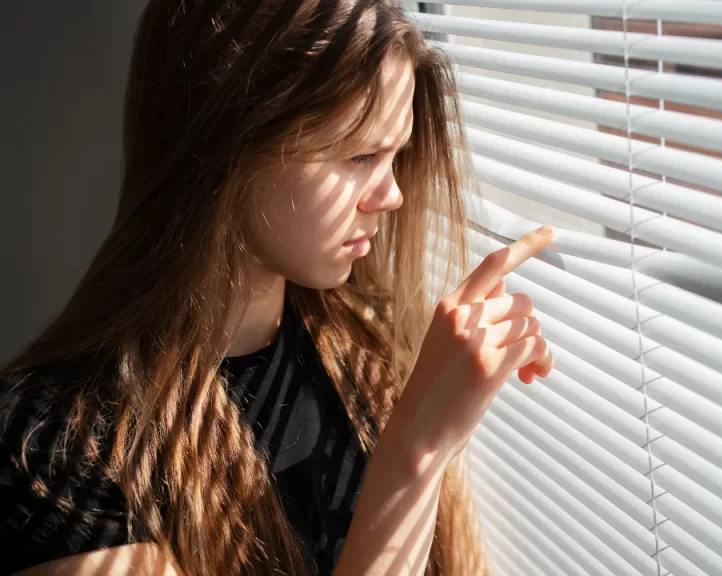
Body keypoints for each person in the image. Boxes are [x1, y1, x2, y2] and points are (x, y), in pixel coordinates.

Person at [0, 1, 554, 575]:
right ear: (225, 146)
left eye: (397, 154)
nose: (392, 195)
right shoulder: (55, 448)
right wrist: (416, 452)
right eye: (360, 154)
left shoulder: (365, 346)